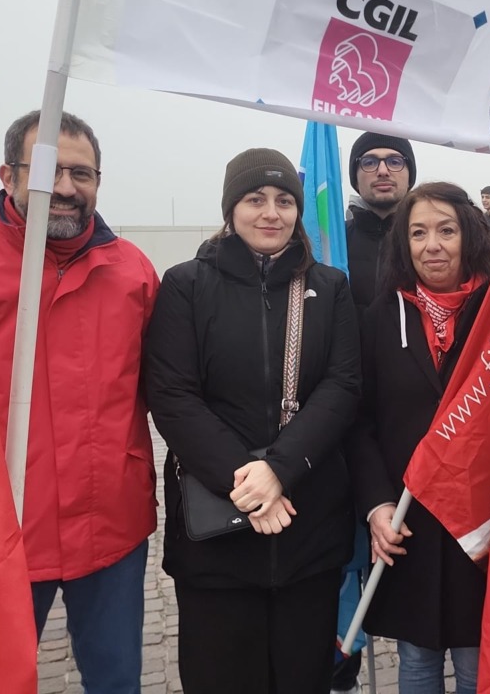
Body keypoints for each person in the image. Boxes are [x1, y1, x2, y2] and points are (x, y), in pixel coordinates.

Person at [144, 148, 360, 693]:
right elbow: (172, 394)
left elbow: (342, 387)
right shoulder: (186, 285)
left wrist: (280, 470)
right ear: (230, 209)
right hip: (218, 533)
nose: (271, 212)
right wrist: (245, 477)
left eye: (284, 200)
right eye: (255, 199)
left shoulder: (329, 288)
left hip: (307, 525)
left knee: (301, 679)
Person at [0, 110, 159, 691]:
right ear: (8, 174)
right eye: (50, 170)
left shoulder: (132, 272)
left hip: (112, 527)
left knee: (117, 680)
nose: (67, 188)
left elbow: (165, 387)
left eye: (83, 173)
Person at [347, 182, 490, 693]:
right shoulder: (378, 318)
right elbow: (360, 422)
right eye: (418, 233)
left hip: (481, 525)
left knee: (480, 666)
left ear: (468, 236)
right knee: (415, 663)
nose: (432, 245)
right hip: (407, 521)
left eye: (446, 230)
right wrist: (375, 507)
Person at [347, 132, 418, 312]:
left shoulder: (429, 243)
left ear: (410, 176)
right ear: (355, 178)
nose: (383, 171)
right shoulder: (332, 242)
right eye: (369, 162)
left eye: (395, 162)